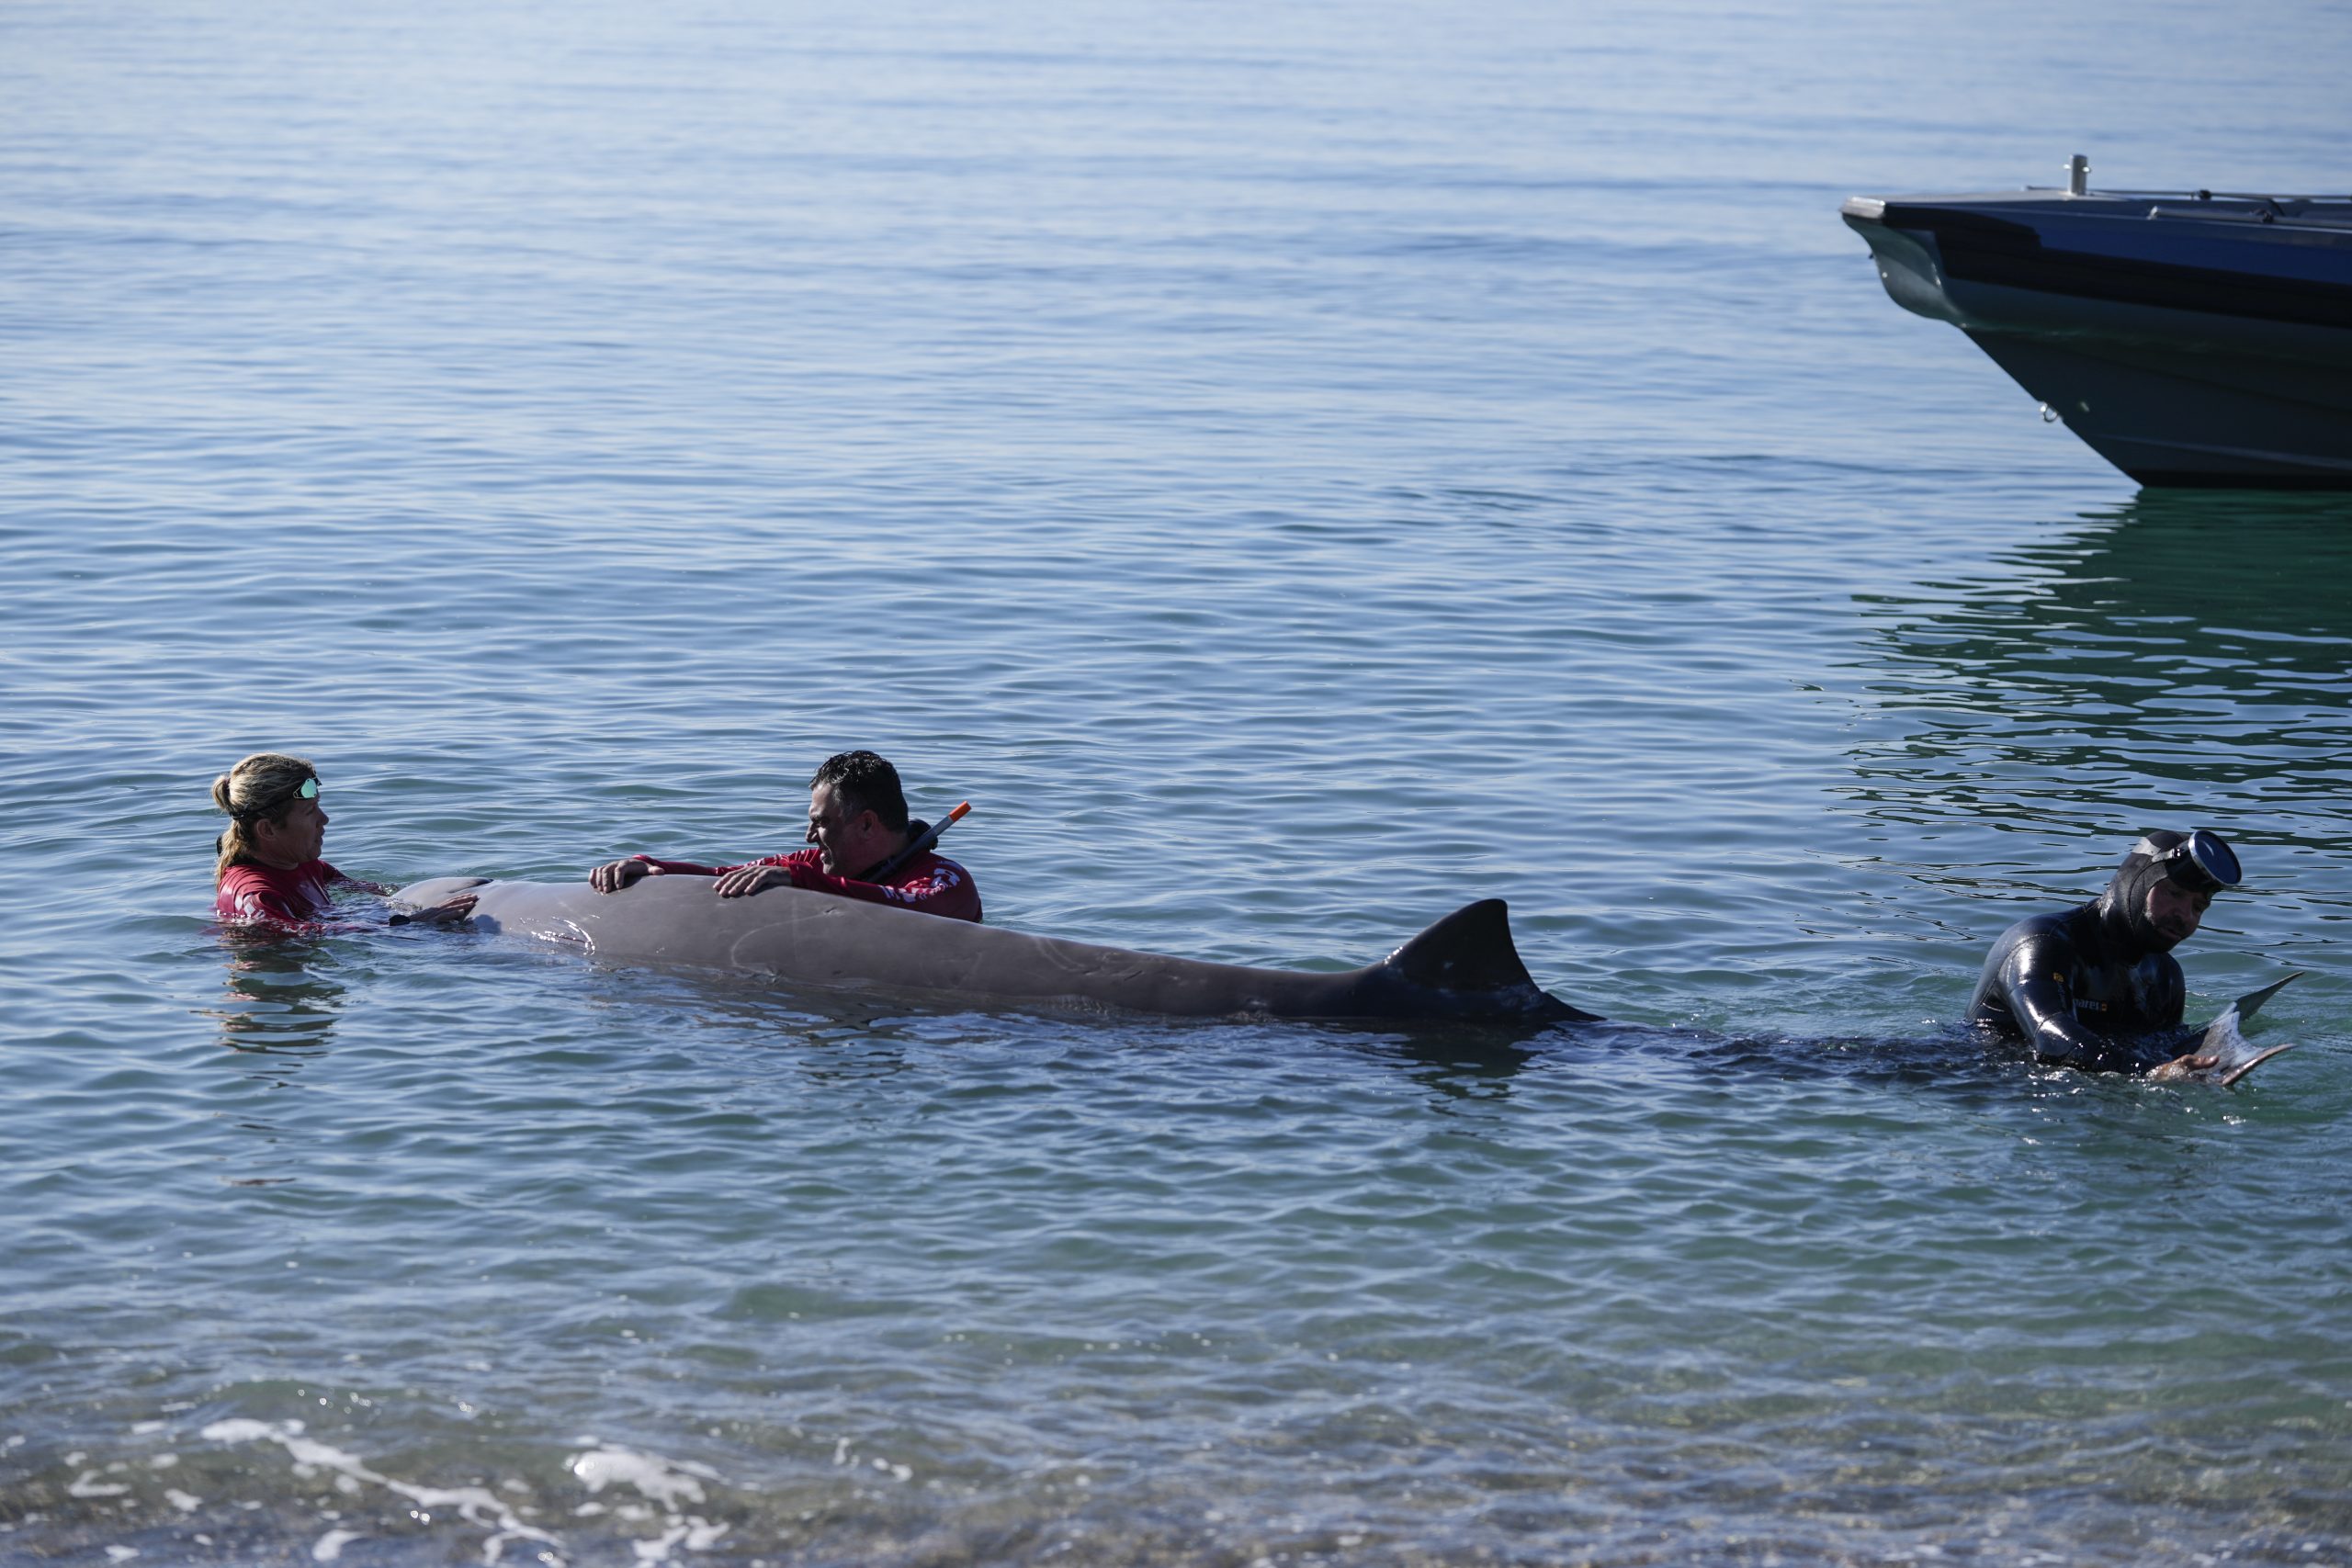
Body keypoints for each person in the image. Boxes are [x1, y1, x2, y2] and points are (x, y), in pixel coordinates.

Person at [1967, 828, 2243, 1078]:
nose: (2184, 916)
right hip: (1969, 1079)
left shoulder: (2165, 977)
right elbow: (2050, 1039)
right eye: (2173, 893)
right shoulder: (2043, 944)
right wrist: (2152, 1071)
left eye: (2198, 907)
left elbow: (2164, 1054)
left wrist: (2206, 1060)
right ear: (2137, 882)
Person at [587, 750, 981, 922]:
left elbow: (921, 910)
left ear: (865, 824)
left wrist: (804, 883)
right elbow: (722, 873)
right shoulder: (808, 865)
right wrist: (655, 867)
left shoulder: (944, 879)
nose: (810, 836)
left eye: (822, 823)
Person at [211, 752, 475, 931]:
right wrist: (412, 923)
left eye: (319, 807)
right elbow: (296, 941)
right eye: (309, 811)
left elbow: (374, 892)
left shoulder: (309, 867)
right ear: (267, 829)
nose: (324, 819)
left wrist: (423, 898)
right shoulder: (256, 897)